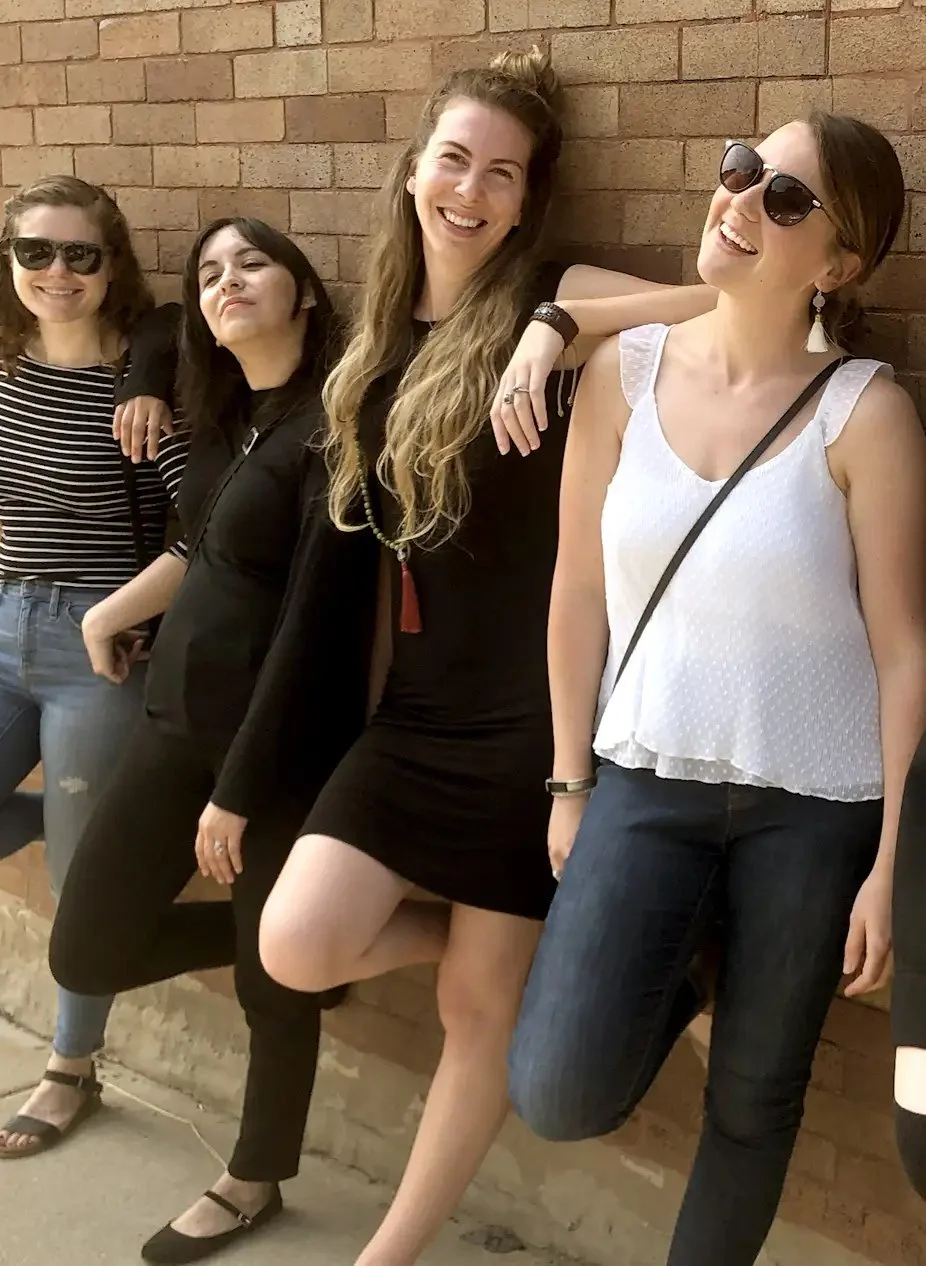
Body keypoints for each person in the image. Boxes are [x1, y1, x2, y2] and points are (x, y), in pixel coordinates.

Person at [257, 48, 716, 1266]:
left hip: (531, 717)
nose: (470, 189)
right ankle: (506, 945)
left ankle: (387, 1254)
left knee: (477, 1013)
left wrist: (564, 325)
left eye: (501, 174)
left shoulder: (550, 295)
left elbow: (738, 306)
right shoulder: (372, 329)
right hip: (413, 714)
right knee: (296, 942)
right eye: (453, 159)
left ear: (525, 202)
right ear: (413, 170)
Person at [507, 114, 926, 1266]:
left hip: (815, 808)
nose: (737, 201)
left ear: (837, 265)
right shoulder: (620, 380)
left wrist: (891, 863)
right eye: (739, 171)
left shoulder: (866, 414)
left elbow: (903, 651)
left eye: (783, 200)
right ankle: (679, 957)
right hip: (642, 777)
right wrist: (566, 780)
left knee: (753, 1101)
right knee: (555, 1086)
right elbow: (576, 589)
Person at [49, 217, 378, 1264]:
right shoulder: (227, 420)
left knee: (269, 1000)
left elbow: (309, 629)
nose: (226, 281)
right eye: (209, 273)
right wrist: (109, 615)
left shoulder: (335, 428)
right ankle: (270, 952)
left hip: (271, 752)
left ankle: (253, 1178)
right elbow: (200, 547)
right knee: (85, 944)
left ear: (306, 295)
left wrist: (234, 791)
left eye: (252, 264)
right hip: (170, 724)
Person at [0, 175, 187, 1160]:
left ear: (111, 265)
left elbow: (198, 524)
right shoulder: (4, 368)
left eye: (81, 254)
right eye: (36, 253)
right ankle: (106, 838)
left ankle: (71, 1071)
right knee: (84, 850)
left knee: (81, 893)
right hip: (2, 623)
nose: (57, 273)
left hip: (96, 651)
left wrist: (129, 611)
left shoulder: (143, 384)